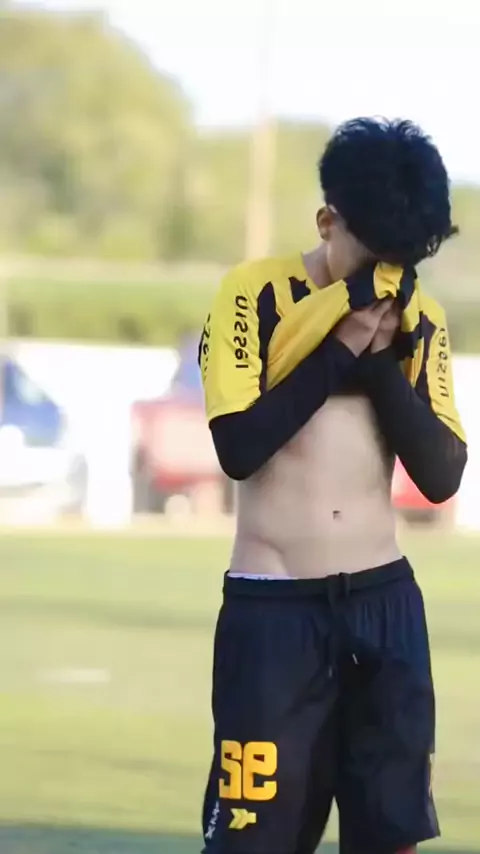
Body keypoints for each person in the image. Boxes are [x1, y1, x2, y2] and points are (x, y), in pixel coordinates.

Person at [198, 117, 467, 854]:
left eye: (404, 259)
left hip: (385, 603)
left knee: (389, 834)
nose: (388, 276)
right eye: (374, 254)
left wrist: (381, 366)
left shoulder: (421, 319)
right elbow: (239, 447)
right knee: (254, 838)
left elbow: (442, 474)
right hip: (276, 613)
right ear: (328, 221)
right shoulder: (253, 294)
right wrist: (340, 346)